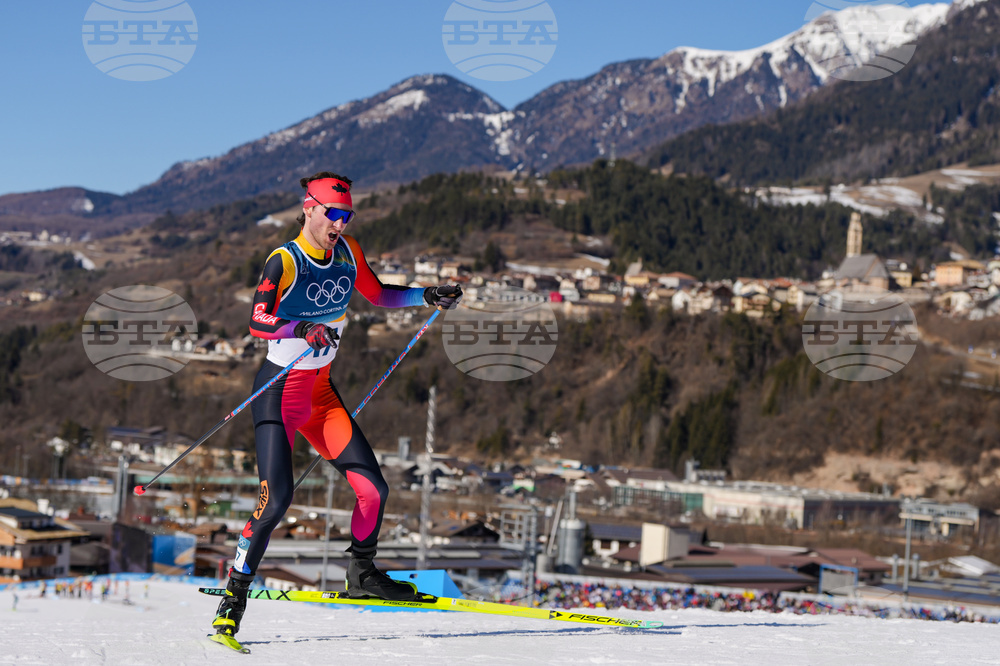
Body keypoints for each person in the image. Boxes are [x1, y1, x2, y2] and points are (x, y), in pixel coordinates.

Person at [212, 171, 463, 640]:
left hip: (321, 395)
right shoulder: (284, 261)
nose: (340, 224)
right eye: (332, 214)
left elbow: (379, 294)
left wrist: (426, 295)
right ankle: (234, 597)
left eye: (347, 215)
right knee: (276, 501)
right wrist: (303, 328)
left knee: (374, 490)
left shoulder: (348, 253)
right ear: (308, 208)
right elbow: (259, 320)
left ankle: (361, 574)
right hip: (278, 395)